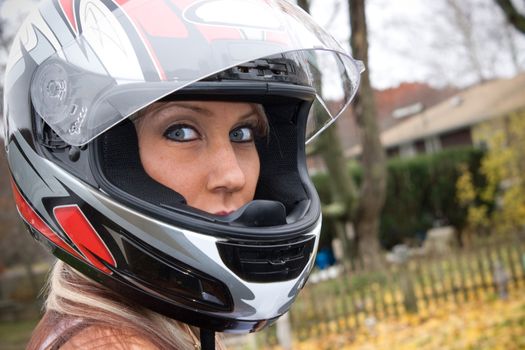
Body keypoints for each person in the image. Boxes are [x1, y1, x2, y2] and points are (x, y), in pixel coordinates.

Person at [2, 0, 363, 349]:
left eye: (243, 134)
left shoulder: (164, 329)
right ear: (83, 154)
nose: (233, 176)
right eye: (181, 132)